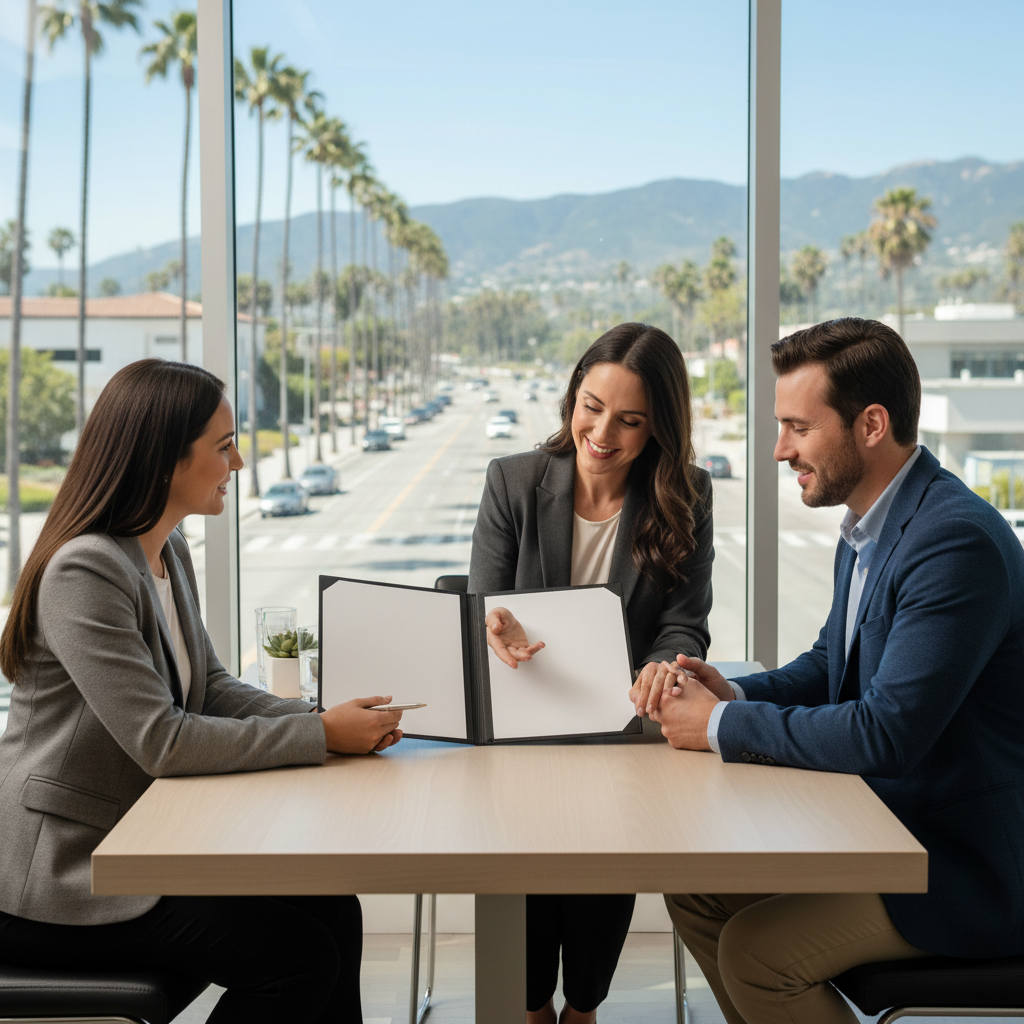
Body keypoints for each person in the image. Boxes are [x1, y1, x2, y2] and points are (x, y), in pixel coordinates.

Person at [641, 318, 1024, 1024]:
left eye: (798, 427)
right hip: (888, 831)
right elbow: (831, 666)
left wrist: (720, 724)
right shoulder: (872, 525)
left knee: (759, 955)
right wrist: (736, 691)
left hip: (960, 865)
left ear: (871, 424)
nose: (781, 448)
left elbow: (887, 734)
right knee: (694, 890)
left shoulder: (954, 544)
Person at [0, 359, 405, 1024]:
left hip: (131, 845)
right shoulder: (87, 569)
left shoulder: (163, 548)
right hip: (62, 877)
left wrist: (318, 717)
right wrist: (321, 735)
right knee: (297, 959)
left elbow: (210, 688)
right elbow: (161, 740)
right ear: (164, 461)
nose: (239, 462)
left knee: (334, 906)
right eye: (223, 447)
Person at [469, 322, 715, 1024]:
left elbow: (684, 620)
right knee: (524, 861)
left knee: (606, 855)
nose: (602, 432)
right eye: (591, 405)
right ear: (573, 395)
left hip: (619, 723)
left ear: (659, 426)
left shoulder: (686, 493)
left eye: (631, 420)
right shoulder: (513, 481)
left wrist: (659, 668)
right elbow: (478, 607)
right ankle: (530, 1007)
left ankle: (584, 1009)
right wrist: (495, 625)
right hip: (520, 721)